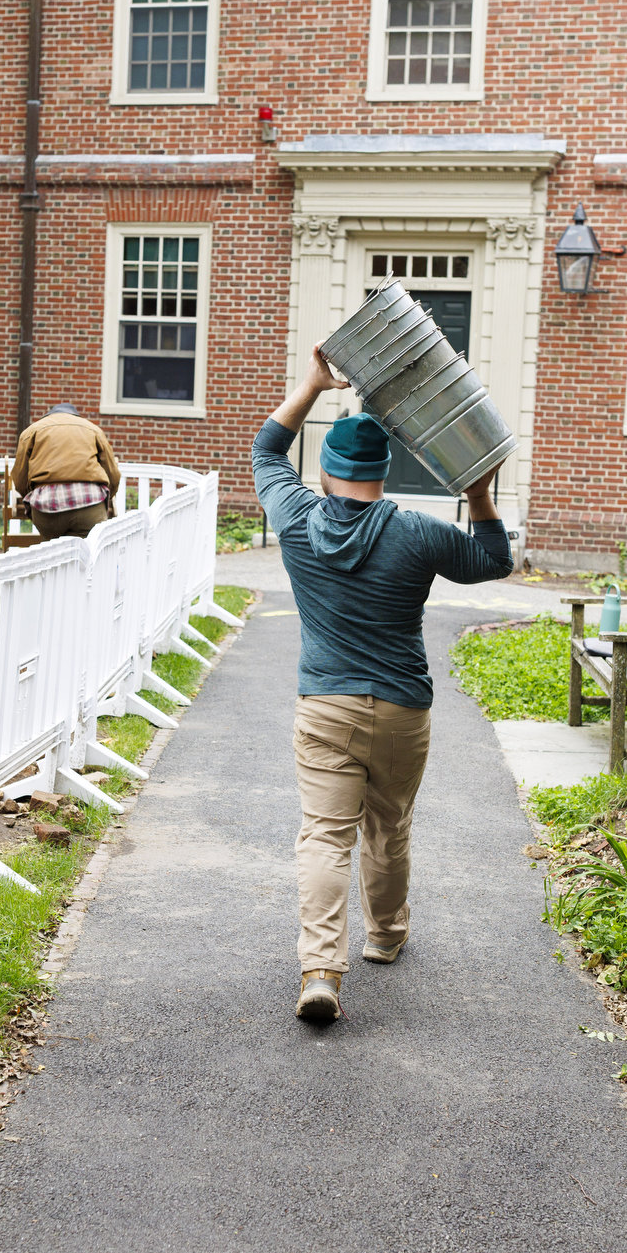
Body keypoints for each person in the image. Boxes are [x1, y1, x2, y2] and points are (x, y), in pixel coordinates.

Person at [252, 347, 513, 1024]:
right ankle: (386, 935)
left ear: (328, 471)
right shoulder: (418, 534)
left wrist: (312, 383)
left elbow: (265, 453)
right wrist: (480, 493)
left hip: (326, 707)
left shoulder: (296, 521)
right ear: (381, 473)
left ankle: (320, 973)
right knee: (388, 826)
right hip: (401, 710)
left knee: (323, 836)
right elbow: (492, 560)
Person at [9, 403, 123, 539]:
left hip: (47, 507)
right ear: (75, 415)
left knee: (55, 551)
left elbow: (20, 477)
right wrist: (107, 498)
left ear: (49, 415)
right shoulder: (93, 430)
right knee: (88, 553)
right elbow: (112, 474)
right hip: (90, 503)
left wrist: (31, 497)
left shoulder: (32, 431)